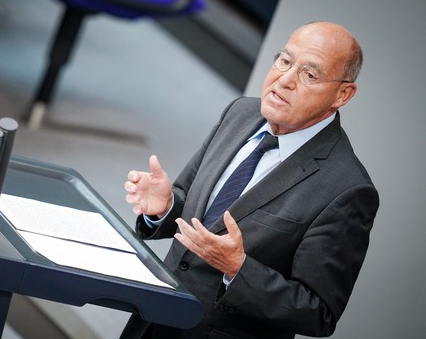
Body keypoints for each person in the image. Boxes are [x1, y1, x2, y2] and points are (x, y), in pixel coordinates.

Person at [120, 21, 379, 339]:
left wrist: (238, 269)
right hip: (152, 319)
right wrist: (166, 205)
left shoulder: (348, 189)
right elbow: (198, 214)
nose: (284, 80)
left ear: (343, 94)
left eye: (309, 75)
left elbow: (318, 313)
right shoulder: (240, 113)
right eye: (284, 61)